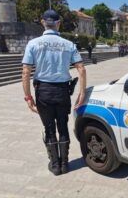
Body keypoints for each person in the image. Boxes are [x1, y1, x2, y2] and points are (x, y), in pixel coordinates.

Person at [21, 9, 86, 176]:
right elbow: (81, 70)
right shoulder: (69, 44)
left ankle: (55, 165)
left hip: (43, 91)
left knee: (49, 128)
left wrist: (28, 97)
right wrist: (82, 93)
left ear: (43, 22)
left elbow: (26, 71)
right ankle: (65, 164)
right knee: (63, 126)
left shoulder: (33, 44)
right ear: (58, 23)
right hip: (63, 91)